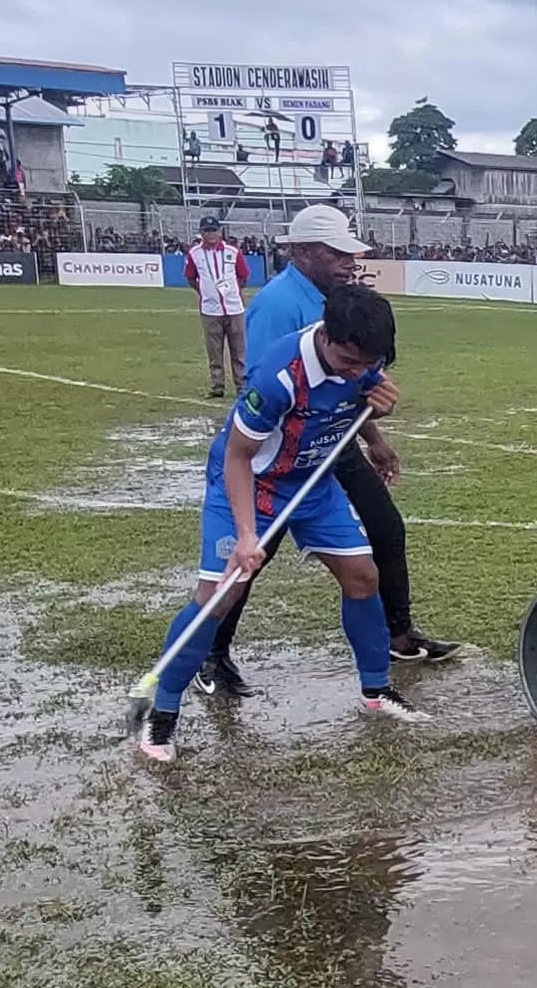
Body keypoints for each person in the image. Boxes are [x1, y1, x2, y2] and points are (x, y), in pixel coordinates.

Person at [134, 284, 421, 763]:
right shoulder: (277, 376)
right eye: (350, 361)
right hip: (251, 483)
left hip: (312, 481)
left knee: (363, 576)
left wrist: (376, 435)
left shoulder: (362, 356)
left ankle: (377, 690)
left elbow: (355, 396)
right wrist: (248, 535)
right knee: (219, 595)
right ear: (326, 336)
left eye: (369, 364)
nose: (359, 371)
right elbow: (237, 457)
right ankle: (160, 712)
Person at [186, 204, 455, 693]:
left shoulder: (341, 299)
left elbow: (356, 384)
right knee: (251, 555)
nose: (350, 262)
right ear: (305, 252)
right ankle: (211, 654)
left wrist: (375, 438)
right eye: (337, 254)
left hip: (333, 441)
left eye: (351, 254)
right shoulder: (278, 304)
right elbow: (264, 388)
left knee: (385, 527)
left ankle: (396, 634)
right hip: (278, 454)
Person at [187, 216, 247, 398]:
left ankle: (242, 385)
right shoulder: (195, 253)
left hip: (234, 309)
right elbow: (190, 277)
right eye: (207, 231)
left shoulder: (232, 251)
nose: (211, 234)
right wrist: (205, 292)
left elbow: (243, 275)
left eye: (214, 230)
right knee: (214, 350)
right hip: (210, 310)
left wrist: (233, 292)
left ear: (220, 231)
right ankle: (217, 386)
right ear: (201, 233)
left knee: (239, 350)